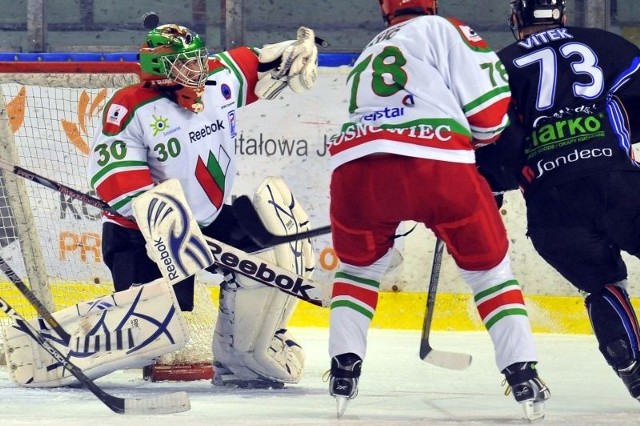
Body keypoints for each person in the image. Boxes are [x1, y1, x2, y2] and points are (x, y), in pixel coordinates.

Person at [324, 0, 550, 420]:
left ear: (386, 11)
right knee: (490, 272)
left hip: (355, 170)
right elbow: (489, 110)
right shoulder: (446, 29)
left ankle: (343, 370)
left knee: (357, 272)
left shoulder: (372, 48)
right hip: (436, 168)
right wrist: (477, 148)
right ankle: (522, 375)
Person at [87, 23, 319, 388]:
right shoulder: (130, 105)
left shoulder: (215, 81)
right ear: (160, 69)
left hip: (209, 219)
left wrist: (293, 53)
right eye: (185, 63)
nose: (198, 67)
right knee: (147, 340)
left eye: (198, 58)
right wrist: (165, 222)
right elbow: (113, 175)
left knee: (271, 260)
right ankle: (84, 343)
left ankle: (239, 358)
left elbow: (259, 62)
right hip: (143, 234)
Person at [475, 0, 640, 402]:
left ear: (516, 22)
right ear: (562, 17)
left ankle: (634, 370)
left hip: (552, 206)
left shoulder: (498, 67)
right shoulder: (604, 42)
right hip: (616, 182)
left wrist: (489, 187)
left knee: (602, 285)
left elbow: (489, 137)